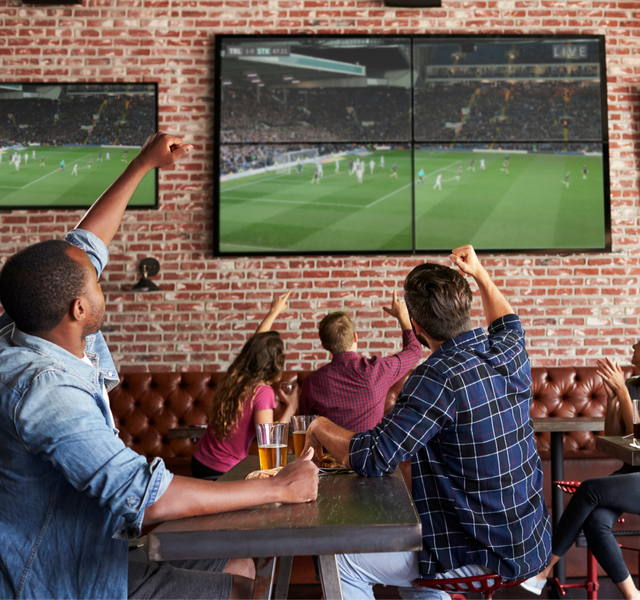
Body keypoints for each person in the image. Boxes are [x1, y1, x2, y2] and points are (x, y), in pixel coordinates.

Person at [0, 133, 318, 599]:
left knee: (241, 561)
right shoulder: (46, 392)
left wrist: (142, 165)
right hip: (64, 576)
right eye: (96, 284)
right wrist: (281, 488)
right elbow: (144, 498)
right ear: (78, 310)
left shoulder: (29, 321)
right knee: (242, 590)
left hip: (101, 545)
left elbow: (86, 244)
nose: (99, 278)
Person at [303, 245, 551, 599]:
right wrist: (480, 273)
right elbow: (508, 320)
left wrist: (318, 426)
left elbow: (373, 457)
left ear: (417, 328)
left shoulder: (436, 377)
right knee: (419, 561)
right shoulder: (508, 350)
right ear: (465, 306)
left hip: (485, 554)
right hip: (531, 542)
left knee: (340, 559)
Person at [522, 330, 640, 599]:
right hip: (630, 474)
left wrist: (621, 390)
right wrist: (613, 397)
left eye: (639, 343)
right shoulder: (633, 384)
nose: (633, 345)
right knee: (595, 520)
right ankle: (634, 596)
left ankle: (543, 569)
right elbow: (615, 437)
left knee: (589, 490)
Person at [191, 292, 299, 479]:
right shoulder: (262, 392)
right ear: (276, 362)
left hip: (200, 461)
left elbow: (255, 346)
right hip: (223, 471)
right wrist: (292, 407)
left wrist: (273, 313)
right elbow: (268, 440)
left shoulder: (236, 377)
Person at [300, 291, 422, 433]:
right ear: (355, 337)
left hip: (330, 454)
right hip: (368, 453)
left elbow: (305, 429)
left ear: (325, 345)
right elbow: (414, 350)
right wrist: (403, 317)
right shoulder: (379, 369)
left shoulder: (311, 383)